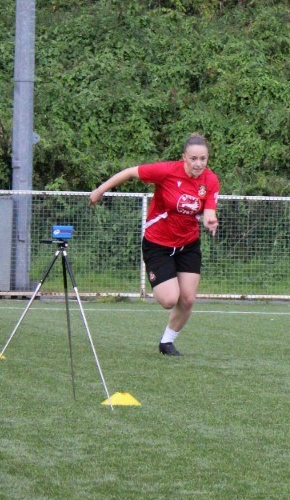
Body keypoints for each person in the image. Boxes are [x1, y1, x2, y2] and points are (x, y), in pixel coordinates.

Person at [89, 134, 220, 356]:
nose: (199, 164)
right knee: (170, 300)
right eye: (194, 158)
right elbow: (130, 172)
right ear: (184, 158)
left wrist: (210, 219)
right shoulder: (167, 171)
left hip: (188, 244)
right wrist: (100, 190)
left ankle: (167, 342)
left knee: (187, 299)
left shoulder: (210, 180)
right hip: (158, 244)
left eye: (203, 159)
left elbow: (209, 209)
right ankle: (159, 279)